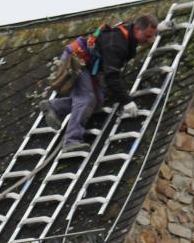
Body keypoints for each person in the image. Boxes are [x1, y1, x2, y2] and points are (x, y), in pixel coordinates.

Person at [41, 13, 161, 151]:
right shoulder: (117, 44)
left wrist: (160, 29)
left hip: (89, 64)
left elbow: (147, 32)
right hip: (78, 60)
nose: (149, 39)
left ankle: (55, 107)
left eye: (152, 36)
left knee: (97, 101)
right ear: (137, 30)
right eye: (147, 36)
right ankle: (71, 141)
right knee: (86, 99)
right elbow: (111, 77)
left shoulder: (130, 31)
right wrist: (126, 101)